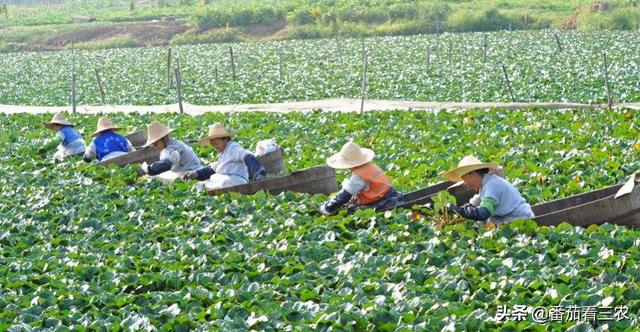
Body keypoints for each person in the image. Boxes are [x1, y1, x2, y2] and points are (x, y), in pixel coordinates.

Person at [443, 155, 534, 225]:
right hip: (506, 219)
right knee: (480, 225)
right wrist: (461, 208)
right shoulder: (486, 184)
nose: (465, 183)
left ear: (473, 174)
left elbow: (483, 213)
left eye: (465, 179)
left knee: (483, 223)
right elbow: (477, 200)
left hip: (519, 219)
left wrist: (461, 212)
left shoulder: (492, 185)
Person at [320, 141, 403, 216]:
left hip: (380, 203)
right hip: (392, 195)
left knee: (349, 211)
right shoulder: (370, 166)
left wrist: (327, 208)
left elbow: (344, 195)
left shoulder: (359, 176)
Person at [182, 123, 266, 190]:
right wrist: (194, 174)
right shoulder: (223, 154)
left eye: (216, 143)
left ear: (225, 140)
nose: (215, 146)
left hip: (237, 181)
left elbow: (248, 156)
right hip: (225, 180)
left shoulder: (233, 148)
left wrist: (259, 175)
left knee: (222, 182)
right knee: (206, 181)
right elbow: (212, 169)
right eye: (213, 144)